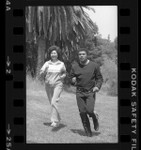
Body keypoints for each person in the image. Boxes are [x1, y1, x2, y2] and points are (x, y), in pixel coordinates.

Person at [70, 48, 103, 137]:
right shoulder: (74, 66)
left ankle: (94, 117)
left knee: (89, 110)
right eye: (80, 54)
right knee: (82, 112)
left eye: (83, 54)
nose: (81, 56)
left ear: (87, 55)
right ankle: (88, 131)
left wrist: (97, 86)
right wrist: (73, 81)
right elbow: (71, 79)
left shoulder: (94, 65)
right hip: (79, 92)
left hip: (90, 92)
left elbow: (99, 78)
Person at [40, 45, 66, 128]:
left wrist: (61, 77)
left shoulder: (61, 64)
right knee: (52, 102)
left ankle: (54, 121)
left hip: (58, 85)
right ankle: (58, 118)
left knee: (54, 101)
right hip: (48, 85)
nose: (53, 54)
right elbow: (41, 72)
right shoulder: (47, 63)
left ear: (57, 54)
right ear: (50, 54)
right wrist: (43, 71)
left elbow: (64, 73)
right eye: (52, 53)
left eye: (55, 53)